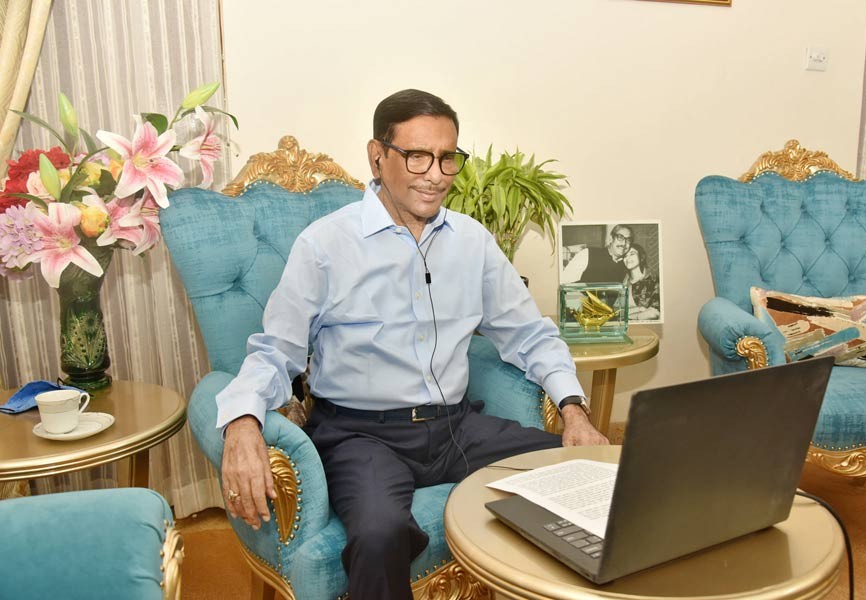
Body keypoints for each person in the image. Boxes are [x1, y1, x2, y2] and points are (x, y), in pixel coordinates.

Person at [216, 89, 607, 600]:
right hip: (361, 436)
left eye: (447, 158)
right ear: (377, 157)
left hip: (456, 428)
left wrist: (574, 410)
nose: (436, 174)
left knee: (586, 473)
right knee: (380, 534)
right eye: (418, 156)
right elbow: (274, 351)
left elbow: (529, 334)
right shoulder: (325, 245)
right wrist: (242, 420)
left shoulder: (472, 241)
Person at [568, 224, 633, 284]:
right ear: (610, 239)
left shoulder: (627, 264)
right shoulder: (588, 254)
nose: (624, 243)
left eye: (628, 240)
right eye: (620, 237)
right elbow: (566, 284)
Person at [623, 243, 660, 321]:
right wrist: (639, 309)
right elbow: (617, 312)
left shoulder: (653, 281)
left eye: (632, 254)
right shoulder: (623, 282)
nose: (628, 258)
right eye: (625, 256)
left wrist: (628, 316)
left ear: (641, 257)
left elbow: (654, 313)